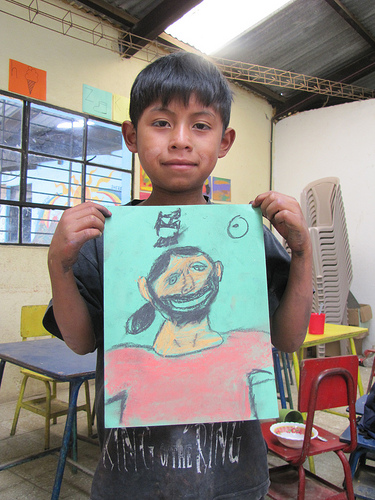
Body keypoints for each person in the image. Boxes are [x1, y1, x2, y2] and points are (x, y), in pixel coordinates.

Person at [43, 51, 313, 499]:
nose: (181, 140)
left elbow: (287, 340)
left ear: (224, 142)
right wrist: (59, 265)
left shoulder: (246, 237)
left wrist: (302, 254)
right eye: (162, 123)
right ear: (131, 135)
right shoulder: (106, 238)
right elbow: (81, 341)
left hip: (233, 478)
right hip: (131, 480)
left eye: (201, 126)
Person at [105, 245, 277, 427]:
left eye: (198, 268)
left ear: (217, 270)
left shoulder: (250, 346)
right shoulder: (123, 361)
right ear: (147, 291)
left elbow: (267, 419)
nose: (189, 284)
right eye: (172, 279)